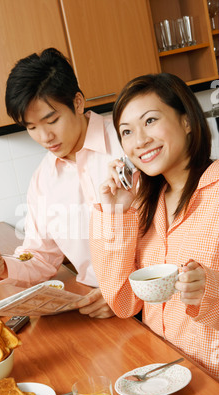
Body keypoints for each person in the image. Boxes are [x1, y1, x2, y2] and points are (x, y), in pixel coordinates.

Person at [0, 48, 124, 318]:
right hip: (97, 309)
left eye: (51, 120)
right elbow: (40, 257)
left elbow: (171, 234)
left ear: (78, 103)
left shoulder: (129, 142)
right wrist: (2, 267)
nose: (45, 136)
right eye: (31, 127)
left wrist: (125, 291)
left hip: (157, 299)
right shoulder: (43, 179)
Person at [90, 72, 219, 378]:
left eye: (150, 121)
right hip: (161, 372)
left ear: (186, 121)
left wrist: (210, 288)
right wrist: (117, 212)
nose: (140, 140)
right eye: (127, 132)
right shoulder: (145, 205)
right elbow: (123, 302)